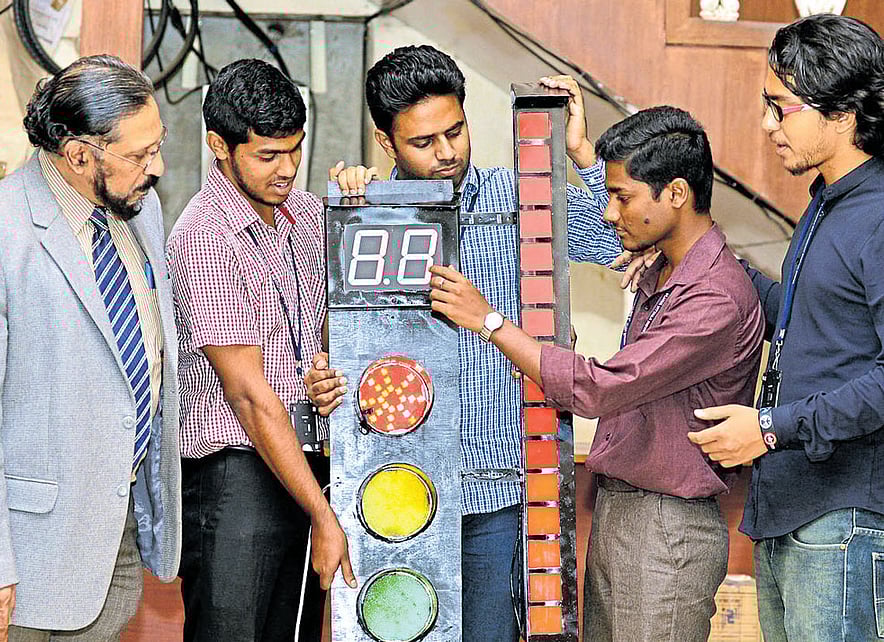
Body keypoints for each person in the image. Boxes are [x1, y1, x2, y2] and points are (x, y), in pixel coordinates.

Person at [305, 44, 621, 641]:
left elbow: (615, 241)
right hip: (392, 495)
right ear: (386, 141)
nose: (447, 152)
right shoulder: (367, 211)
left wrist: (583, 152)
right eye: (424, 142)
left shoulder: (516, 199)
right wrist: (326, 380)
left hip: (495, 491)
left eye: (455, 131)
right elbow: (340, 343)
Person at [428, 106, 764, 641]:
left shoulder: (713, 297)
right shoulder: (664, 269)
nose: (609, 213)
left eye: (622, 198)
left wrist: (489, 321)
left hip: (666, 530)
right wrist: (585, 154)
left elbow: (600, 387)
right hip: (621, 514)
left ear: (676, 193)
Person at [681, 15, 884, 642]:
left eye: (781, 107)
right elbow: (801, 317)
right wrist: (694, 258)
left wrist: (770, 427)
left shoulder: (877, 214)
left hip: (842, 519)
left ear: (842, 114)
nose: (768, 124)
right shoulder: (828, 200)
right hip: (791, 511)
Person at [0, 55, 180, 642]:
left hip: (115, 540)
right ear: (78, 154)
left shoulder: (140, 212)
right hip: (24, 558)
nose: (157, 168)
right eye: (140, 155)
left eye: (158, 147)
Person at [166, 59, 355, 642]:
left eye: (295, 150)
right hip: (237, 479)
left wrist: (362, 198)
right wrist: (323, 515)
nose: (288, 169)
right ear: (219, 146)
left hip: (305, 465)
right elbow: (248, 395)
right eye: (269, 155)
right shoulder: (204, 236)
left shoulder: (307, 215)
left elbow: (340, 322)